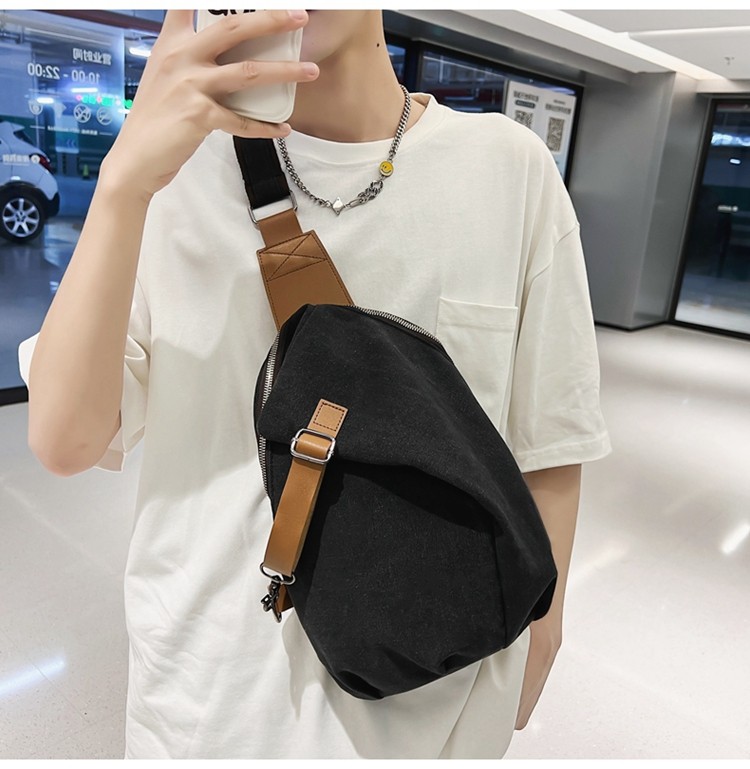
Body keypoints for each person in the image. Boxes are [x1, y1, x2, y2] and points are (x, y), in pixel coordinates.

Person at [18, 10, 611, 759]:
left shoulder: (507, 170)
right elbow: (67, 440)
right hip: (203, 706)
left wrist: (537, 635)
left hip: (432, 704)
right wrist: (123, 182)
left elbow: (550, 434)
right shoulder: (172, 171)